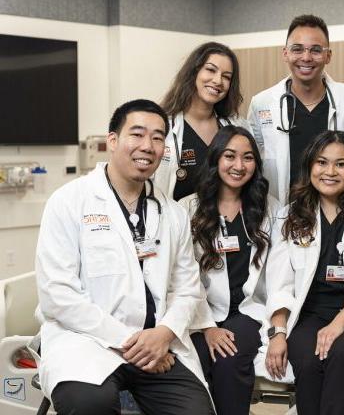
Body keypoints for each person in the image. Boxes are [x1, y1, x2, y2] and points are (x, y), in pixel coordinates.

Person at [35, 99, 214, 415]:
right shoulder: (68, 202)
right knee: (89, 405)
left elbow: (188, 289)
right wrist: (132, 342)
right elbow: (57, 296)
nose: (148, 146)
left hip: (159, 347)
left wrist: (163, 334)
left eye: (158, 138)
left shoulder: (173, 214)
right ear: (113, 141)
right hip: (87, 342)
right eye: (138, 134)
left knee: (196, 411)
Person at [265, 130, 344, 415]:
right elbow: (279, 283)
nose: (330, 171)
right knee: (310, 362)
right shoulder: (290, 216)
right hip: (308, 314)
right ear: (310, 166)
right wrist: (278, 333)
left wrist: (338, 324)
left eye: (341, 164)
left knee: (341, 353)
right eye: (322, 162)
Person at [179, 125, 280, 415]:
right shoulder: (187, 210)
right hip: (199, 313)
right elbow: (183, 276)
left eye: (248, 158)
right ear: (216, 160)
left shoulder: (270, 210)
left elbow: (279, 274)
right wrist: (208, 326)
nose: (239, 166)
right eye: (230, 156)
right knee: (191, 360)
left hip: (248, 311)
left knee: (230, 357)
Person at [248, 14, 344, 204]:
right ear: (285, 53)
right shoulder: (261, 103)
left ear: (328, 56)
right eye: (297, 49)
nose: (306, 57)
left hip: (340, 212)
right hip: (283, 213)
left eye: (316, 50)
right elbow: (253, 162)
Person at [155, 41, 250, 202]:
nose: (218, 81)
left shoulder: (238, 126)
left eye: (226, 77)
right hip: (177, 223)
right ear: (194, 72)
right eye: (211, 70)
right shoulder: (163, 126)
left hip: (224, 222)